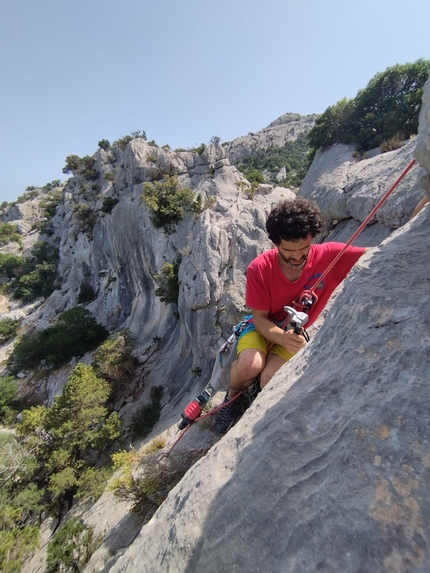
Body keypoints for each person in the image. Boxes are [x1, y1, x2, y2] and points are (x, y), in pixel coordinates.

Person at [213, 197, 366, 433]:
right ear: (275, 243)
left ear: (313, 238)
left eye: (304, 249)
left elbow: (385, 251)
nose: (297, 257)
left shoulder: (331, 257)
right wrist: (282, 338)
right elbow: (260, 318)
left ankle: (255, 399)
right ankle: (232, 398)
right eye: (288, 251)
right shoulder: (260, 268)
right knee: (249, 366)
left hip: (293, 333)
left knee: (270, 378)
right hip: (261, 329)